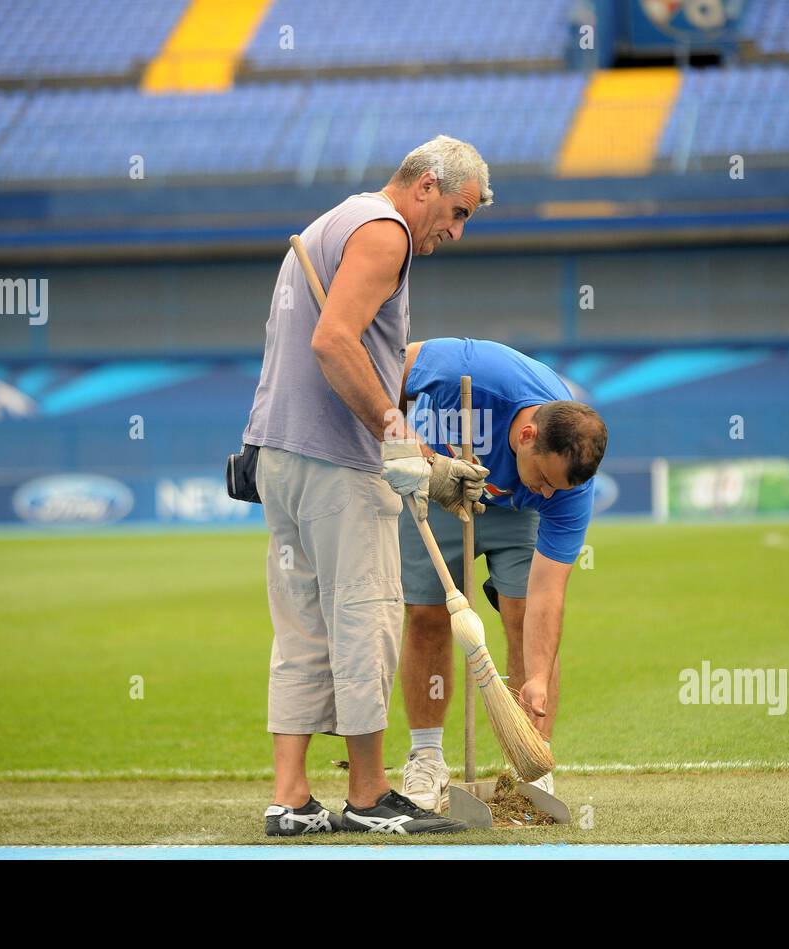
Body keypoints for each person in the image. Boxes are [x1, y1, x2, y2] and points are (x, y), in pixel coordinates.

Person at [241, 137, 492, 836]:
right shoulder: (386, 234)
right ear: (426, 187)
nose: (456, 230)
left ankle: (289, 798)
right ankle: (368, 792)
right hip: (335, 466)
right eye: (457, 211)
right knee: (366, 618)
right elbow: (333, 341)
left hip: (278, 454)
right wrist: (397, 434)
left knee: (302, 630)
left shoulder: (333, 223)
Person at [396, 338, 608, 811]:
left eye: (562, 488)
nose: (552, 496)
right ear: (527, 436)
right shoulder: (467, 368)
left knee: (523, 610)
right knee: (428, 617)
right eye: (547, 479)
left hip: (515, 509)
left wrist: (535, 678)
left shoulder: (565, 492)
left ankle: (532, 765)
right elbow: (386, 361)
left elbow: (549, 593)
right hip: (437, 482)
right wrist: (405, 445)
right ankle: (427, 758)